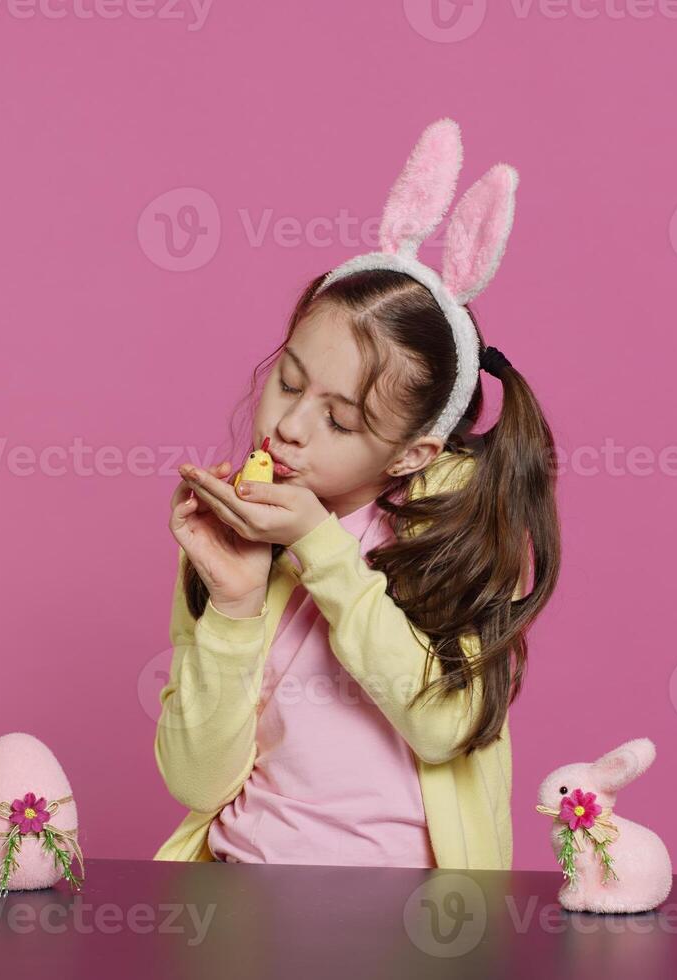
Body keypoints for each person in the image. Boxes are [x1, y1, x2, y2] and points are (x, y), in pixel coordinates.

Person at [153, 119, 559, 869]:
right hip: (240, 892)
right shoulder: (234, 538)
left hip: (403, 922)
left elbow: (442, 725)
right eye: (288, 381)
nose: (290, 426)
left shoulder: (450, 542)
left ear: (412, 454)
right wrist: (236, 605)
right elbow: (194, 779)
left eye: (339, 419)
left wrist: (320, 548)